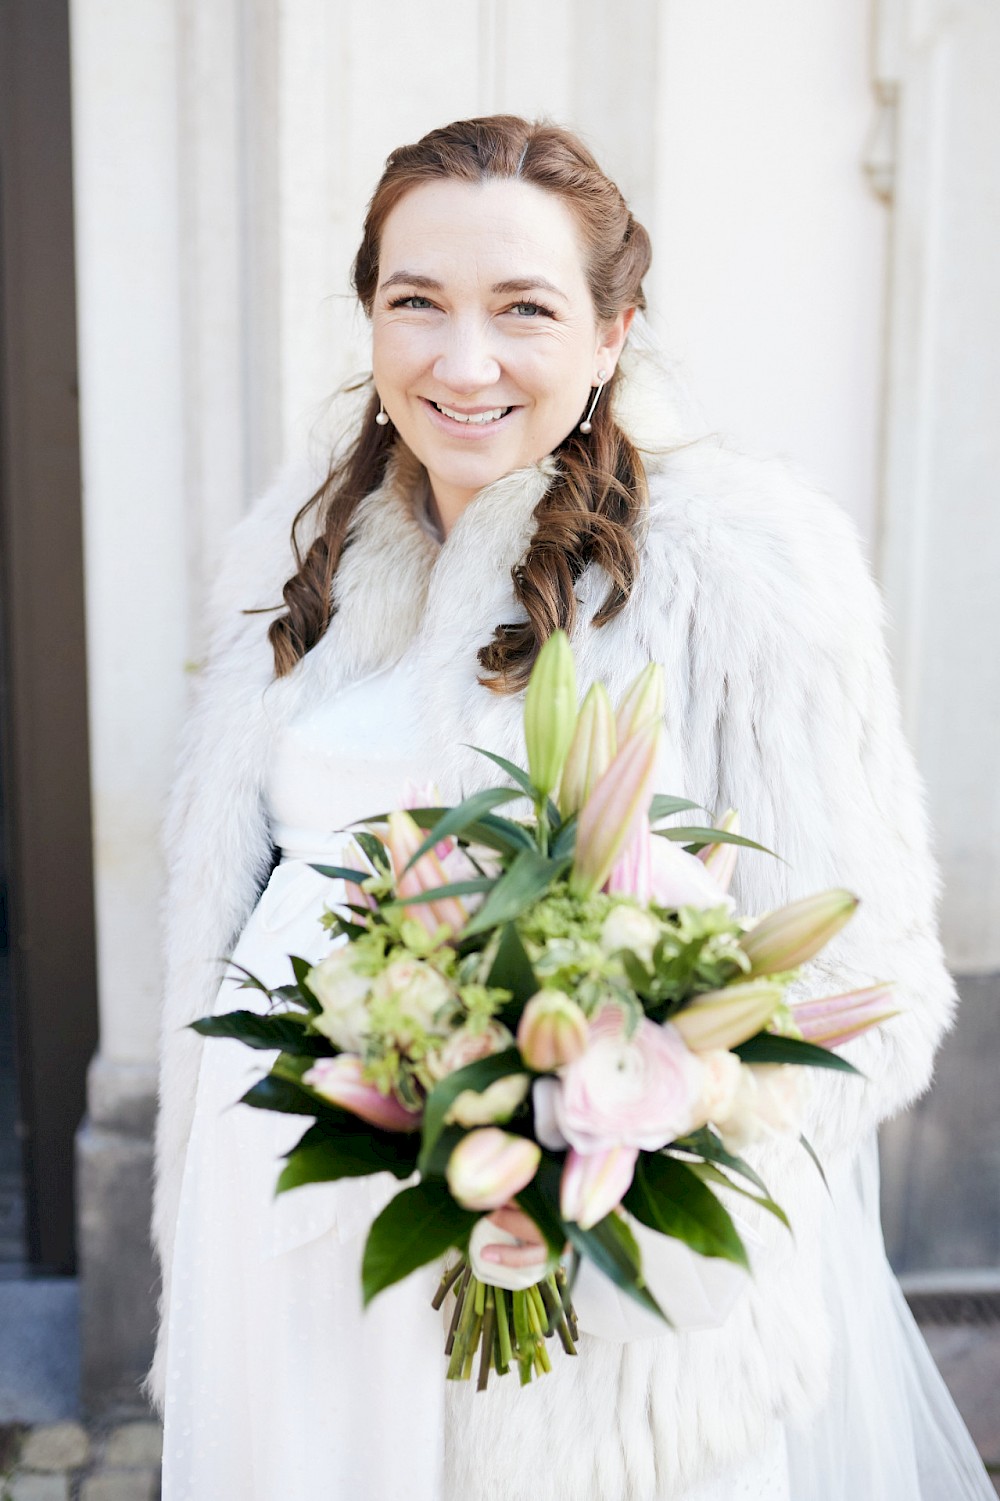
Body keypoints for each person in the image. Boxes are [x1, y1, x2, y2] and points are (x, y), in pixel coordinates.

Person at [148, 116, 992, 1499]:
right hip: (290, 1260)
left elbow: (863, 978)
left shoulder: (745, 571)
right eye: (415, 300)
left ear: (612, 330)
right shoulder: (287, 555)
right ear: (369, 315)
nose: (461, 361)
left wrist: (581, 1139)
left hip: (584, 1312)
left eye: (522, 309)